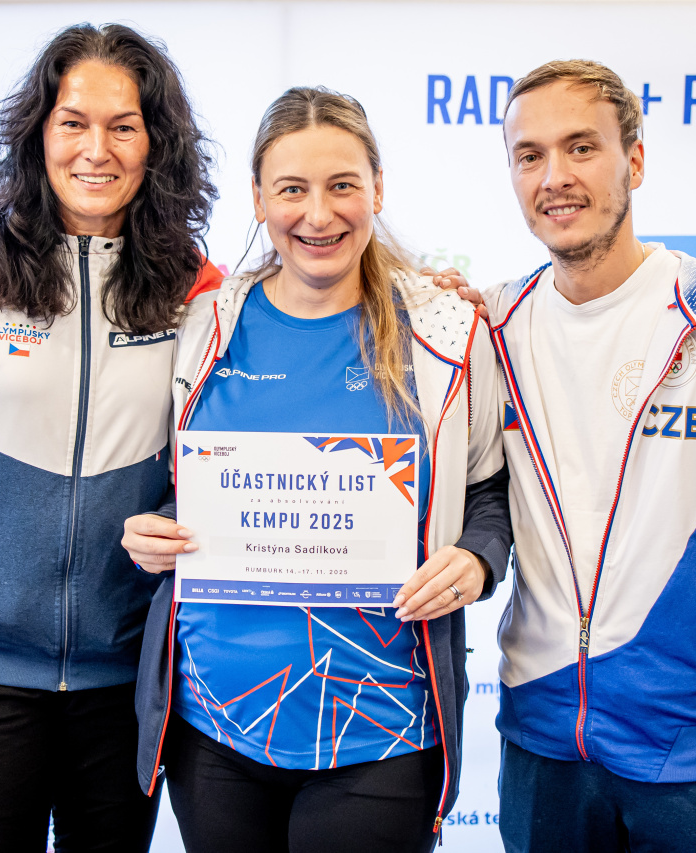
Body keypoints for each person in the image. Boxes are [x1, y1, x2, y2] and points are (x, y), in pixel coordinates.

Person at [442, 60, 696, 853]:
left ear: (635, 161)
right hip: (542, 743)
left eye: (581, 147)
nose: (555, 177)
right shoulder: (491, 329)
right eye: (529, 155)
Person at [119, 86, 512, 853]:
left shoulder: (444, 329)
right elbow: (184, 488)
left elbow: (489, 490)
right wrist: (154, 533)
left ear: (378, 189)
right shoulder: (207, 322)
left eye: (342, 186)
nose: (318, 214)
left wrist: (476, 557)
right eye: (292, 189)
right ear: (259, 198)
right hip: (215, 721)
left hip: (381, 724)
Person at [0, 24, 221, 853]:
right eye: (73, 123)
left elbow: (227, 462)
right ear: (38, 134)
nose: (97, 150)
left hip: (127, 682)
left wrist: (419, 293)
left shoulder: (200, 291)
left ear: (157, 145)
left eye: (124, 126)